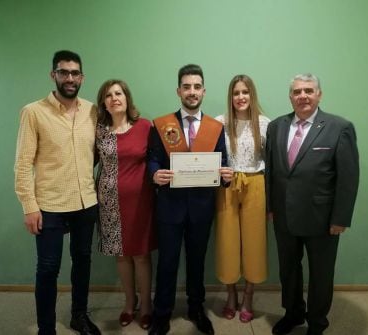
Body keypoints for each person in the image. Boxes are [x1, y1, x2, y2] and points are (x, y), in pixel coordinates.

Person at [265, 73, 359, 335]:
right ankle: (293, 313)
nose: (302, 96)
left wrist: (341, 218)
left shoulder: (339, 127)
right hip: (284, 215)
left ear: (319, 94)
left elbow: (348, 177)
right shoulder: (276, 127)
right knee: (289, 270)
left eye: (308, 90)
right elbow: (271, 172)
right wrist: (270, 206)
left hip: (323, 218)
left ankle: (317, 322)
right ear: (290, 97)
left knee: (320, 275)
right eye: (297, 92)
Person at [14, 50, 101, 335]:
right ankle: (46, 328)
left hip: (86, 202)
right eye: (63, 72)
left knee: (83, 262)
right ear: (53, 75)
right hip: (49, 204)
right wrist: (29, 206)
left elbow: (96, 154)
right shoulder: (33, 112)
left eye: (75, 73)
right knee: (48, 269)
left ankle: (79, 315)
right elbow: (23, 163)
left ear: (82, 77)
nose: (70, 78)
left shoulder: (93, 111)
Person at [147, 64, 233, 335]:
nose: (192, 92)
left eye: (197, 87)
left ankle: (197, 309)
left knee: (197, 262)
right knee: (168, 261)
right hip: (169, 206)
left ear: (204, 91)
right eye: (187, 86)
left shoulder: (215, 127)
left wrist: (226, 175)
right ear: (178, 91)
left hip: (201, 207)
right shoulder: (161, 125)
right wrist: (154, 174)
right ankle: (162, 313)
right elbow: (152, 159)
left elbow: (223, 163)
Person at [96, 79, 156, 330]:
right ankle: (129, 303)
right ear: (104, 103)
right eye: (108, 95)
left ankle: (146, 306)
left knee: (141, 255)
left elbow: (155, 160)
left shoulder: (145, 126)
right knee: (121, 256)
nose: (114, 98)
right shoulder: (99, 131)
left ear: (127, 98)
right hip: (109, 204)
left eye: (118, 93)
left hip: (141, 202)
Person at [214, 74, 270, 322]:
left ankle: (248, 295)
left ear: (252, 94)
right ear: (231, 96)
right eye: (236, 93)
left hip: (256, 184)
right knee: (227, 241)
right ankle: (230, 293)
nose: (240, 97)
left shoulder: (265, 123)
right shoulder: (219, 123)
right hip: (227, 185)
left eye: (245, 92)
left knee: (254, 241)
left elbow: (274, 163)